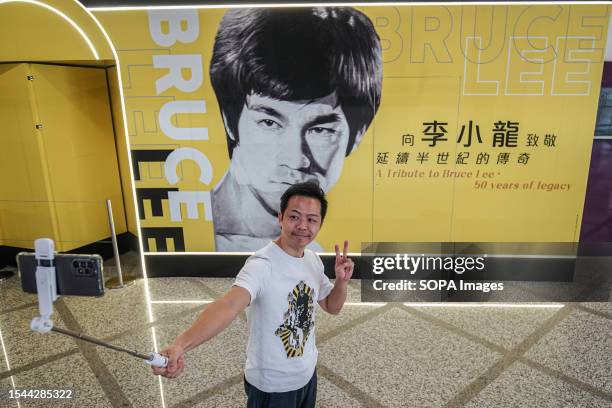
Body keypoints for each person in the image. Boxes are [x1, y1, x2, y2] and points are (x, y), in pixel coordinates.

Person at [153, 181, 355, 407]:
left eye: (311, 219)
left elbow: (332, 306)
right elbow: (228, 306)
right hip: (272, 385)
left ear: (320, 224)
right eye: (294, 216)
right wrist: (180, 344)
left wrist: (342, 282)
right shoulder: (262, 264)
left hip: (307, 375)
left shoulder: (313, 260)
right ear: (280, 218)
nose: (302, 226)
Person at [209, 7, 383, 251]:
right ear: (229, 119)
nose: (294, 159)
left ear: (358, 134)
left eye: (320, 130)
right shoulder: (210, 238)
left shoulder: (311, 251)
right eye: (269, 123)